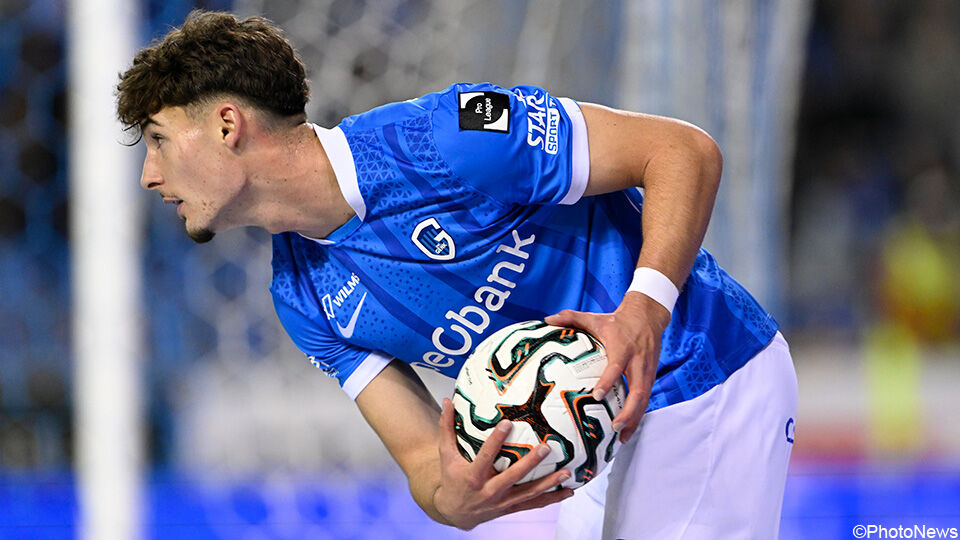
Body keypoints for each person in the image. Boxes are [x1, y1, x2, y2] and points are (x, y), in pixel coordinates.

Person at [117, 10, 797, 539]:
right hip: (579, 443)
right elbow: (423, 460)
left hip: (698, 367)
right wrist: (457, 500)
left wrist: (645, 308)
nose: (149, 175)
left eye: (159, 141)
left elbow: (682, 150)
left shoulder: (453, 135)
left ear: (228, 125)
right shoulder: (302, 297)